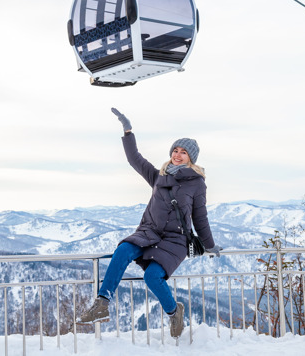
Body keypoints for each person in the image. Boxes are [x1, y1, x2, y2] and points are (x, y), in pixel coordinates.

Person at [77, 108, 221, 338]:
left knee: (152, 277)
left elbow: (200, 216)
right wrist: (127, 130)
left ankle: (175, 312)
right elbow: (134, 158)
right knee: (123, 249)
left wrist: (210, 244)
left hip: (175, 240)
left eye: (183, 152)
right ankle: (102, 303)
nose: (177, 154)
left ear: (191, 157)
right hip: (149, 232)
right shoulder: (158, 176)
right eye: (175, 150)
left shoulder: (196, 184)